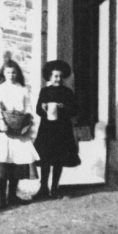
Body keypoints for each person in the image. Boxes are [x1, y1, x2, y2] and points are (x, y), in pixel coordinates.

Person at [0, 56, 40, 209]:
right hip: (3, 131)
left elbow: (28, 107)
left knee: (16, 162)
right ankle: (2, 199)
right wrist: (1, 120)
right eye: (8, 72)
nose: (11, 75)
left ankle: (12, 196)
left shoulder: (23, 90)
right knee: (3, 161)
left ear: (17, 73)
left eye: (14, 72)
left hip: (18, 130)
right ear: (3, 73)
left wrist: (26, 122)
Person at [34, 60, 81, 199]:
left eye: (60, 76)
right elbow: (38, 110)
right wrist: (43, 107)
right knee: (45, 159)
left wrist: (64, 107)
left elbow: (74, 110)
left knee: (58, 160)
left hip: (62, 130)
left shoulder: (67, 92)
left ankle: (54, 188)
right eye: (55, 76)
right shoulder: (45, 91)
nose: (58, 79)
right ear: (49, 76)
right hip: (47, 129)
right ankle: (43, 188)